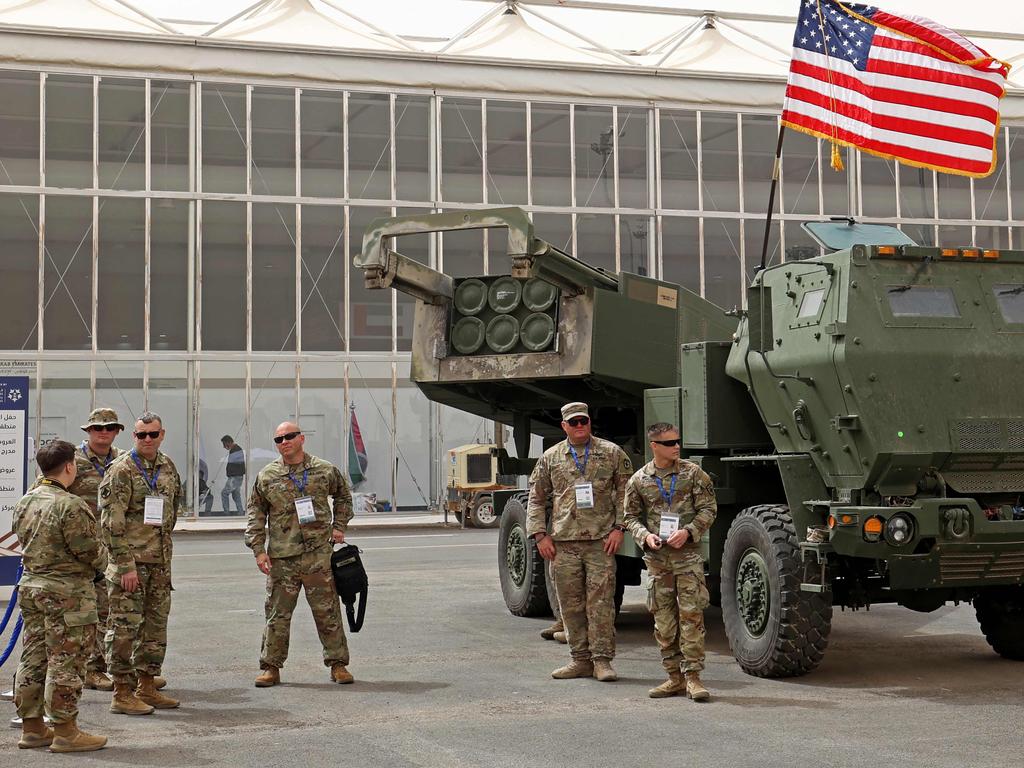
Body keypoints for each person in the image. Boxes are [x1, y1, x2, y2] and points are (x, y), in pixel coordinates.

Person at [12, 440, 108, 752]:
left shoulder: (26, 500)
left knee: (34, 656)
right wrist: (105, 558)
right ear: (69, 466)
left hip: (32, 589)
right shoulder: (71, 504)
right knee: (66, 659)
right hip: (66, 594)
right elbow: (89, 550)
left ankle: (33, 728)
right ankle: (66, 731)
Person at [526, 402, 632, 682]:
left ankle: (602, 661)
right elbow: (536, 498)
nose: (579, 425)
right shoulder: (551, 458)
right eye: (573, 422)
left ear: (589, 422)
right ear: (564, 426)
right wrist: (539, 535)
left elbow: (626, 494)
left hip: (600, 541)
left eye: (583, 420)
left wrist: (620, 528)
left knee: (601, 605)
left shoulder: (611, 453)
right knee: (570, 606)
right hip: (564, 544)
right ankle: (579, 660)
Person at [244, 422, 355, 687]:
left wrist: (339, 527)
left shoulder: (324, 470)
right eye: (279, 439)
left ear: (302, 438)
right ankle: (271, 667)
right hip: (283, 558)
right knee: (277, 615)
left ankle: (338, 665)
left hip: (318, 556)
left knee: (327, 611)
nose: (285, 442)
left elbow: (344, 497)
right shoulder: (267, 476)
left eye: (290, 436)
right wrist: (258, 550)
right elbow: (255, 514)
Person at [623, 422, 717, 702]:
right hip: (658, 561)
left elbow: (709, 509)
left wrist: (689, 531)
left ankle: (693, 678)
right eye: (669, 442)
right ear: (654, 446)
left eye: (677, 441)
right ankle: (673, 677)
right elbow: (629, 517)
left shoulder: (693, 474)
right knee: (664, 621)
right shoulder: (639, 480)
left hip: (687, 558)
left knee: (691, 617)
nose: (676, 446)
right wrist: (645, 537)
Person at [99, 411, 183, 715]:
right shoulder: (121, 470)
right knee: (124, 627)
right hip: (130, 566)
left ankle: (146, 685)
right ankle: (121, 691)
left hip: (160, 563)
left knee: (155, 627)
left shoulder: (167, 466)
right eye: (140, 435)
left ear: (162, 434)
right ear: (133, 437)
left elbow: (174, 508)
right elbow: (110, 524)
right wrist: (125, 566)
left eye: (153, 434)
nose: (147, 439)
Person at [70, 408, 123, 693]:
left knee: (115, 611)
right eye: (98, 428)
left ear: (117, 431)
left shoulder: (124, 460)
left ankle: (112, 666)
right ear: (88, 431)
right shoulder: (72, 462)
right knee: (89, 612)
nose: (104, 432)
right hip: (83, 550)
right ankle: (92, 669)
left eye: (110, 427)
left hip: (116, 549)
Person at [221, 435, 246, 515]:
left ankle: (226, 513)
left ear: (229, 442)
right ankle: (241, 512)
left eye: (224, 444)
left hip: (235, 477)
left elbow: (237, 463)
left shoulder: (236, 450)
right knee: (236, 495)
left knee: (224, 493)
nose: (224, 447)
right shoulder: (235, 450)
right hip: (236, 476)